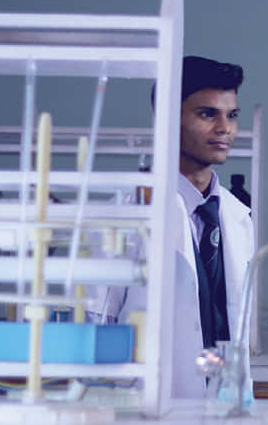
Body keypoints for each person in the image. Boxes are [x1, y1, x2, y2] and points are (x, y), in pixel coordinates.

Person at [87, 56, 254, 399]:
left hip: (222, 406)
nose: (225, 128)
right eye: (207, 114)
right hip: (144, 407)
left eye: (232, 115)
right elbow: (94, 328)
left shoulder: (239, 218)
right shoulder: (124, 214)